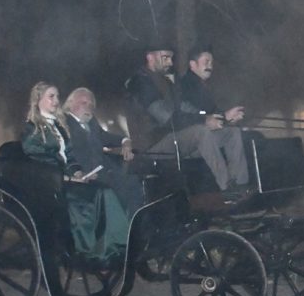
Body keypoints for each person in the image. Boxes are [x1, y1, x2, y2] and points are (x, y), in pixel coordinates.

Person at [21, 81, 129, 264]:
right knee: (100, 193)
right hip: (51, 184)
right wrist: (68, 178)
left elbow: (69, 157)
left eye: (57, 96)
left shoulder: (59, 126)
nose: (56, 101)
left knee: (104, 193)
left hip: (68, 179)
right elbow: (39, 162)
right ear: (38, 100)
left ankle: (115, 245)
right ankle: (92, 250)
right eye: (51, 97)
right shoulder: (32, 129)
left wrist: (78, 174)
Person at [125, 43, 250, 199]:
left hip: (176, 139)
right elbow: (167, 118)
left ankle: (241, 185)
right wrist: (204, 120)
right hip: (152, 146)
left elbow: (186, 108)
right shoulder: (140, 83)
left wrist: (223, 116)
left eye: (171, 58)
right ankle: (226, 189)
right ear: (150, 57)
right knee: (201, 131)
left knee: (231, 133)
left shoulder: (166, 82)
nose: (171, 62)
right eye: (166, 58)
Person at [63, 87, 144, 216]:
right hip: (87, 175)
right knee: (120, 190)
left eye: (91, 105)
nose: (89, 107)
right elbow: (65, 155)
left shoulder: (92, 122)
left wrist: (125, 141)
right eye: (84, 103)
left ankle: (135, 226)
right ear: (70, 104)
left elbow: (105, 137)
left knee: (134, 182)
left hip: (105, 171)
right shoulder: (64, 124)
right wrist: (77, 174)